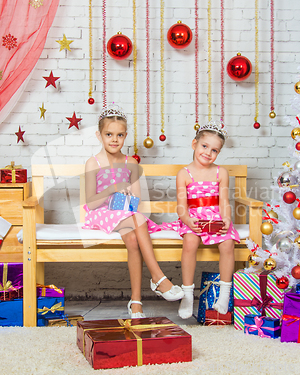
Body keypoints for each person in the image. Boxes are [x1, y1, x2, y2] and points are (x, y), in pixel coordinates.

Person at [83, 104, 184, 318]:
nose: (114, 139)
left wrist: (127, 195)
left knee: (132, 240)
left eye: (119, 135)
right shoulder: (93, 163)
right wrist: (114, 189)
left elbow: (136, 202)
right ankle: (158, 277)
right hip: (100, 212)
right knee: (137, 220)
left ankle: (136, 302)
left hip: (125, 213)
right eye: (108, 134)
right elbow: (91, 203)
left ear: (126, 136)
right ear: (99, 135)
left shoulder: (130, 163)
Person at [164, 120, 240, 319]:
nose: (208, 153)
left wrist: (226, 219)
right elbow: (182, 205)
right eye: (204, 146)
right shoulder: (184, 174)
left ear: (218, 153)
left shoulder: (220, 172)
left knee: (228, 243)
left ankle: (225, 293)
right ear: (194, 144)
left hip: (215, 217)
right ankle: (187, 294)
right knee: (190, 242)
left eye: (214, 150)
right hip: (193, 218)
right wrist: (187, 220)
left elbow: (224, 201)